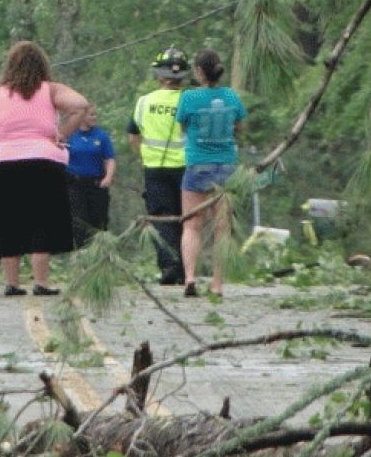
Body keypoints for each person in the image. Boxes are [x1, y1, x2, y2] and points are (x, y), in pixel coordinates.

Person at [0, 41, 89, 296]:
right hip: (44, 161)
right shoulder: (51, 90)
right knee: (42, 219)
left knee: (7, 220)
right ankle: (41, 282)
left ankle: (12, 283)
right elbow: (80, 105)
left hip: (3, 163)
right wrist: (62, 134)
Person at [177, 49, 247, 298]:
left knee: (192, 225)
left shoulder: (189, 98)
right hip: (226, 166)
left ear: (198, 71)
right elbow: (239, 126)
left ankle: (189, 277)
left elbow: (183, 125)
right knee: (222, 229)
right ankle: (217, 284)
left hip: (197, 165)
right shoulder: (232, 97)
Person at [127, 46, 189, 285]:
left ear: (159, 76)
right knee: (186, 219)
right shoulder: (189, 100)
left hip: (154, 169)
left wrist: (143, 157)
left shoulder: (144, 102)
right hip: (185, 168)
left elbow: (133, 137)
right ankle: (186, 268)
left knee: (161, 219)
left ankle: (169, 267)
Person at [67, 106, 116, 247]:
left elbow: (110, 159)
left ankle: (101, 252)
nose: (94, 118)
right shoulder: (70, 135)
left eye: (95, 115)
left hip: (96, 183)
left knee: (99, 221)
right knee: (79, 220)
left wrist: (108, 177)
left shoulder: (101, 136)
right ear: (81, 116)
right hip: (75, 184)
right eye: (91, 115)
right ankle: (82, 254)